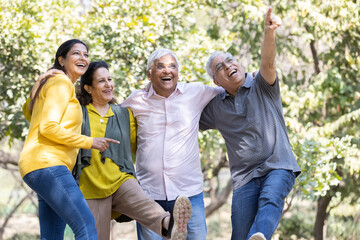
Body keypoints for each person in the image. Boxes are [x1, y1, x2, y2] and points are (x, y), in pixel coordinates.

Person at [199, 7, 301, 240]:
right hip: (245, 178)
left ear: (240, 64)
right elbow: (185, 117)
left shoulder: (261, 84)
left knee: (270, 200)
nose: (227, 66)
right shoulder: (216, 107)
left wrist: (269, 33)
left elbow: (268, 60)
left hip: (278, 165)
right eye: (219, 67)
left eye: (230, 60)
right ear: (216, 81)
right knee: (240, 234)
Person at [73, 60, 192, 240]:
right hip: (89, 186)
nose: (109, 85)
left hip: (120, 179)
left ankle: (170, 225)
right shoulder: (78, 112)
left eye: (110, 79)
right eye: (101, 81)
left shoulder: (123, 113)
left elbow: (141, 144)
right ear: (89, 88)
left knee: (145, 204)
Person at [19, 39, 119, 239]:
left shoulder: (56, 83)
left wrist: (40, 82)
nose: (83, 58)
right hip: (49, 164)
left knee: (52, 235)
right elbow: (48, 128)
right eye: (76, 53)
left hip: (39, 166)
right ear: (61, 60)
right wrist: (90, 141)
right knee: (87, 226)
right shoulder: (62, 83)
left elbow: (32, 115)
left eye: (86, 54)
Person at [121, 48, 223, 240]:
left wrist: (250, 78)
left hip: (189, 194)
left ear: (178, 72)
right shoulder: (136, 99)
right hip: (149, 197)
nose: (167, 71)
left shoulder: (195, 92)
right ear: (149, 74)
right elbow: (112, 118)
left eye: (172, 66)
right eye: (160, 67)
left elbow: (229, 88)